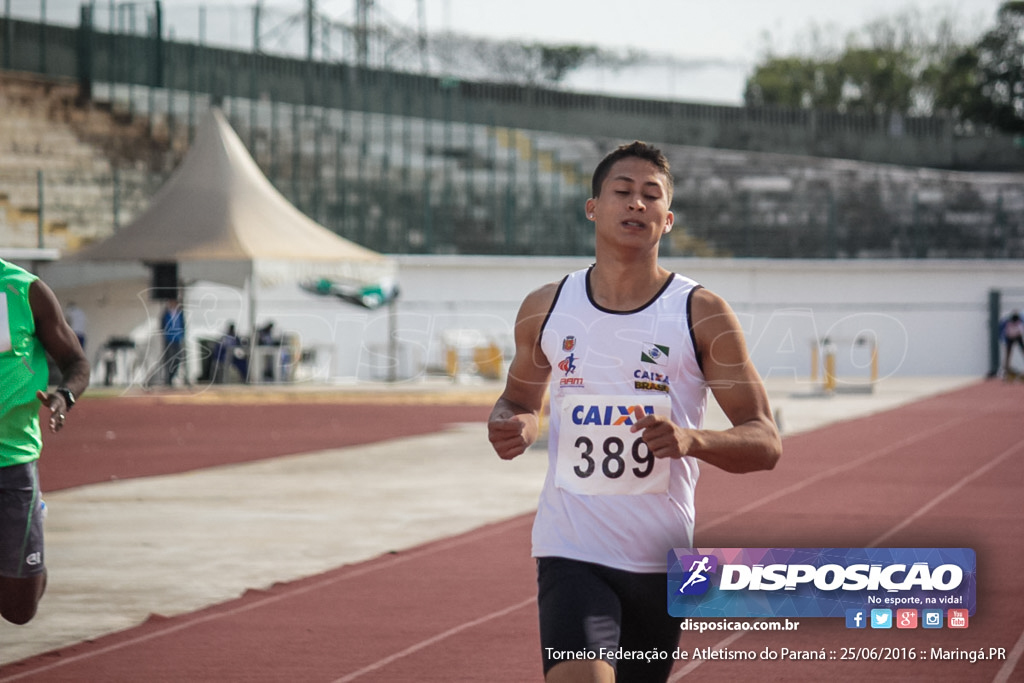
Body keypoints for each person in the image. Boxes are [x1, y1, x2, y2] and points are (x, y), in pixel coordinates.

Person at [487, 141, 782, 682]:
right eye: (623, 192)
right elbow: (519, 399)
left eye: (651, 197)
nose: (637, 205)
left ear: (667, 220)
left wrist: (694, 441)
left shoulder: (701, 313)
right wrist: (515, 423)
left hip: (659, 559)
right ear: (593, 207)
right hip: (570, 547)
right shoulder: (547, 307)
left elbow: (766, 442)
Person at [0, 258, 90, 625]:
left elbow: (77, 362)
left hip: (13, 460)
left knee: (18, 610)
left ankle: (28, 531)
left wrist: (63, 397)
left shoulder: (26, 290)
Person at [157, 298, 186, 387]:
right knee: (168, 359)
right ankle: (168, 379)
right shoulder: (165, 314)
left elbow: (183, 325)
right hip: (168, 339)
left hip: (177, 339)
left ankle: (173, 376)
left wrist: (182, 335)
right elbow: (162, 325)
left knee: (177, 358)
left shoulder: (180, 313)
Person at [1001, 311, 1024, 378]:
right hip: (1010, 337)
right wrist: (1004, 339)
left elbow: (1021, 330)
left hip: (1018, 336)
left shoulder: (1020, 322)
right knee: (1008, 353)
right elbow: (1004, 332)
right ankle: (1006, 369)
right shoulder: (1007, 322)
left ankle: (1006, 368)